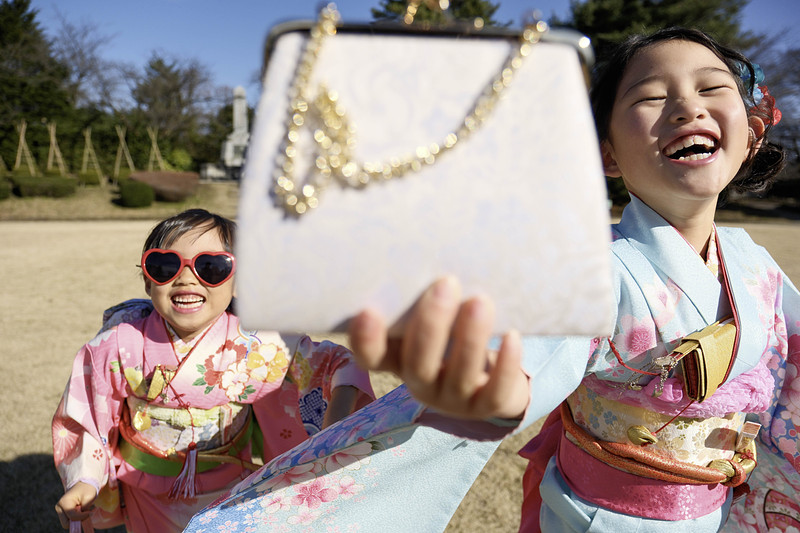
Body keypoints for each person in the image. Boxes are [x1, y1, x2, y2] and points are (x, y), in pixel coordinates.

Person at [348, 27, 799, 531]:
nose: (686, 108)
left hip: (718, 513)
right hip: (603, 518)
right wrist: (493, 388)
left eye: (712, 88)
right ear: (606, 155)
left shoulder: (752, 263)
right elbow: (532, 348)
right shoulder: (590, 264)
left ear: (751, 134)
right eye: (651, 96)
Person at [52, 209, 374, 532]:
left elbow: (335, 365)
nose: (187, 278)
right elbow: (87, 417)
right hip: (146, 490)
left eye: (212, 267)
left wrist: (335, 428)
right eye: (165, 266)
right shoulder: (119, 344)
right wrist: (86, 479)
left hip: (230, 490)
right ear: (148, 282)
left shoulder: (256, 345)